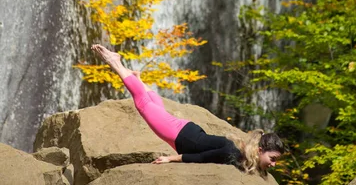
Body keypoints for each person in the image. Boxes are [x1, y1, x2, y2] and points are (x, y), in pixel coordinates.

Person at [92, 44, 284, 175]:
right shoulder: (234, 153)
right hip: (182, 136)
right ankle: (115, 62)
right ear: (259, 150)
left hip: (188, 133)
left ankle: (138, 78)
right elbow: (201, 157)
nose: (273, 164)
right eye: (273, 159)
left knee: (157, 109)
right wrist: (170, 159)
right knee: (143, 105)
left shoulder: (241, 152)